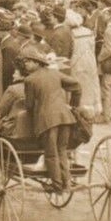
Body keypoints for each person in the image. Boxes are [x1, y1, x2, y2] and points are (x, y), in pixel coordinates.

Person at [20, 46, 79, 193]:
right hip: (65, 117)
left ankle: (57, 186)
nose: (25, 65)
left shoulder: (30, 80)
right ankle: (67, 183)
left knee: (51, 153)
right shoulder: (55, 73)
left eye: (28, 62)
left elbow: (30, 106)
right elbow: (77, 85)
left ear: (37, 63)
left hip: (47, 121)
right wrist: (73, 106)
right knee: (62, 151)